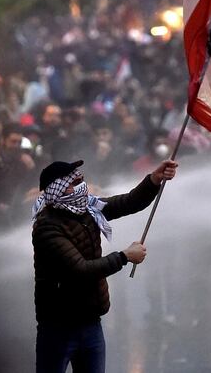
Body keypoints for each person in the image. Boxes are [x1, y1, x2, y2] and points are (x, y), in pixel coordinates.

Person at [32, 157, 177, 373]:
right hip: (58, 327)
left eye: (82, 179)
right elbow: (80, 270)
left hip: (91, 321)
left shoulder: (88, 208)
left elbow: (128, 202)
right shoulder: (47, 227)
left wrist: (153, 180)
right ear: (57, 190)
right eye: (75, 181)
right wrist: (125, 256)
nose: (82, 185)